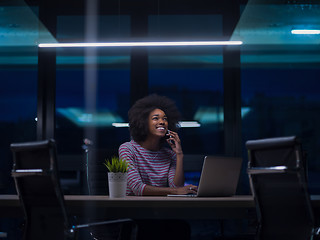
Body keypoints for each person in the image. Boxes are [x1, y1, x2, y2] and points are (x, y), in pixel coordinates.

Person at [119, 94, 197, 196]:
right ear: (143, 122)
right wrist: (175, 191)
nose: (162, 122)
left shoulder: (170, 155)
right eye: (156, 118)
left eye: (165, 119)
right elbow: (138, 188)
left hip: (162, 208)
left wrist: (179, 154)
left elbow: (176, 188)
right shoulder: (127, 149)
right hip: (134, 208)